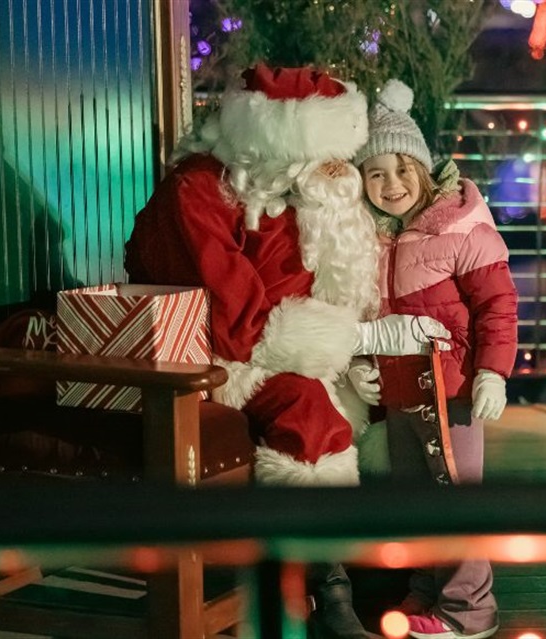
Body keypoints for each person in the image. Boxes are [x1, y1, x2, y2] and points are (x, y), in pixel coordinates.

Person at [124, 64, 449, 639]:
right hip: (217, 362)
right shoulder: (200, 189)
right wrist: (349, 342)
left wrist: (354, 356)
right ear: (268, 145)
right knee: (308, 412)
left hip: (310, 353)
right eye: (319, 158)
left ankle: (380, 576)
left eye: (337, 156)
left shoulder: (309, 192)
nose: (334, 171)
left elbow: (341, 282)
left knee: (390, 415)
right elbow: (233, 323)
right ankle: (327, 593)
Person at [346, 79, 517, 639]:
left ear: (422, 171)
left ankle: (468, 610)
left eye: (401, 171)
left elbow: (496, 302)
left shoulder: (458, 226)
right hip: (401, 390)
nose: (390, 184)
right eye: (376, 173)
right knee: (413, 496)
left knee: (455, 494)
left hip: (453, 389)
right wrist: (362, 364)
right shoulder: (374, 237)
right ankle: (425, 590)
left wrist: (493, 370)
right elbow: (372, 313)